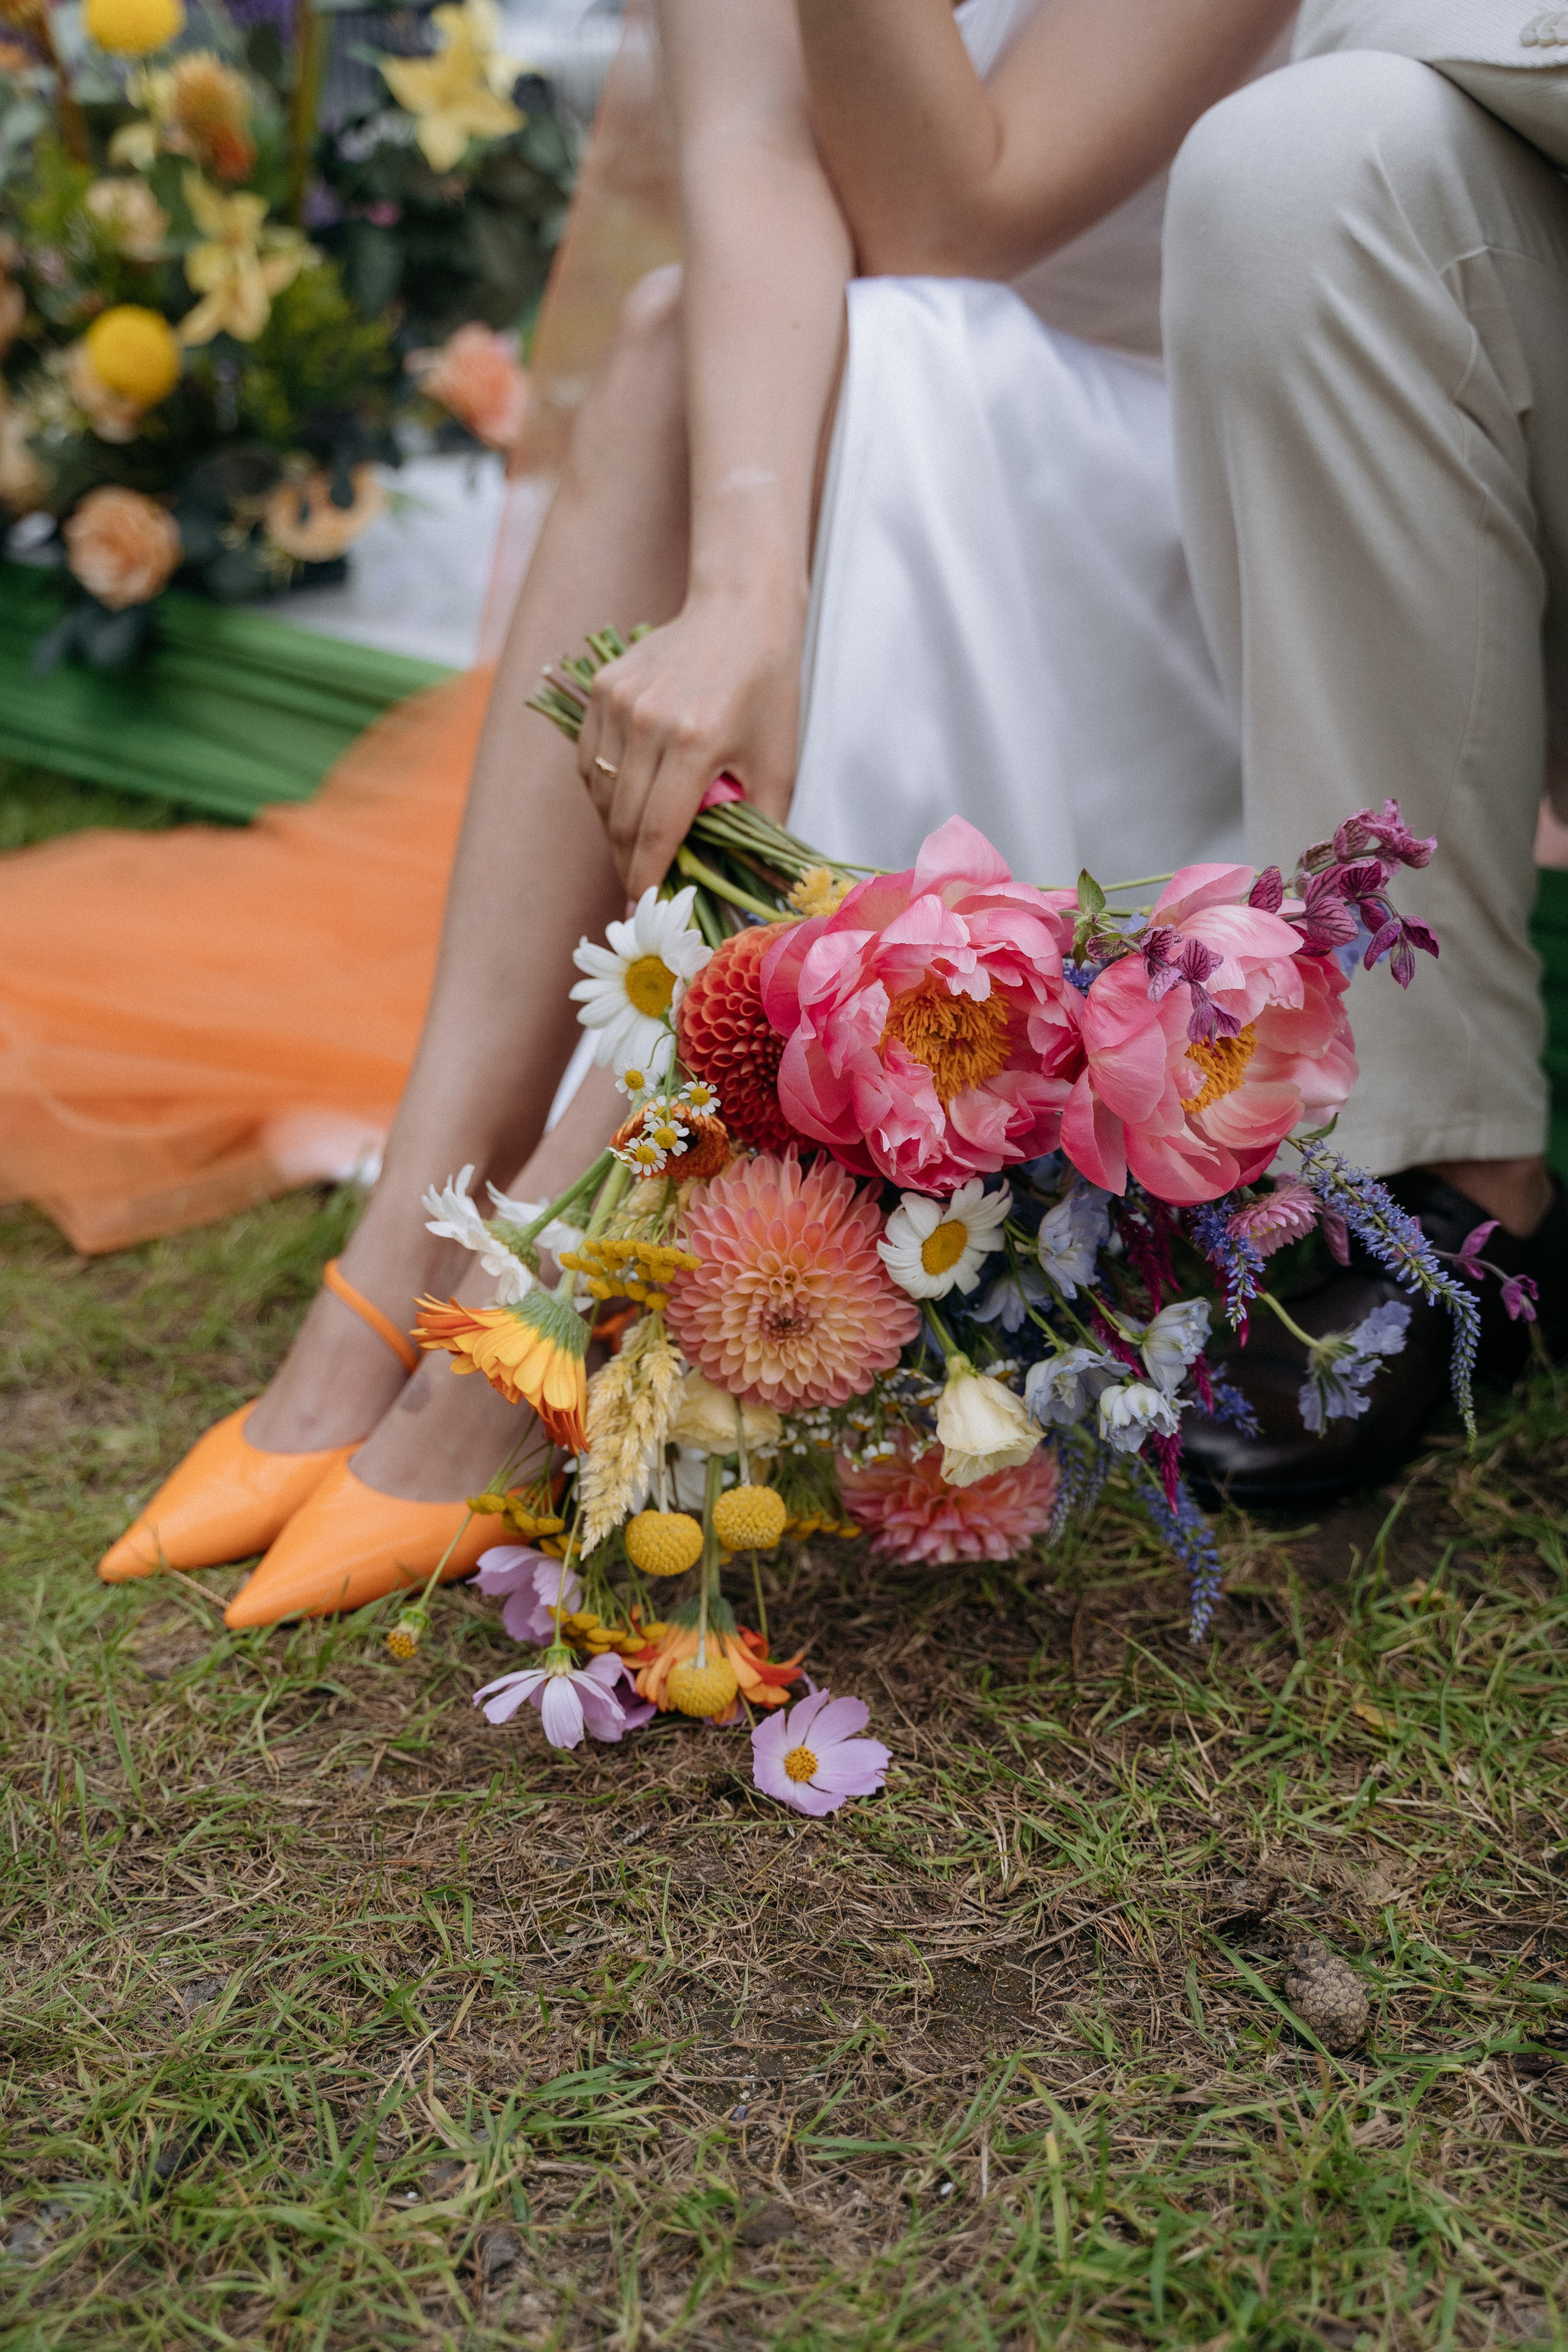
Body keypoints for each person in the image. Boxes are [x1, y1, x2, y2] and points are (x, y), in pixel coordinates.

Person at [92, 0, 1295, 1621]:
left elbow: (958, 220)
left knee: (898, 360)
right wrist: (741, 586)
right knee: (676, 327)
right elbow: (745, 149)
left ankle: (527, 1328)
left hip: (1185, 501)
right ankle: (401, 1267)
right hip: (874, 398)